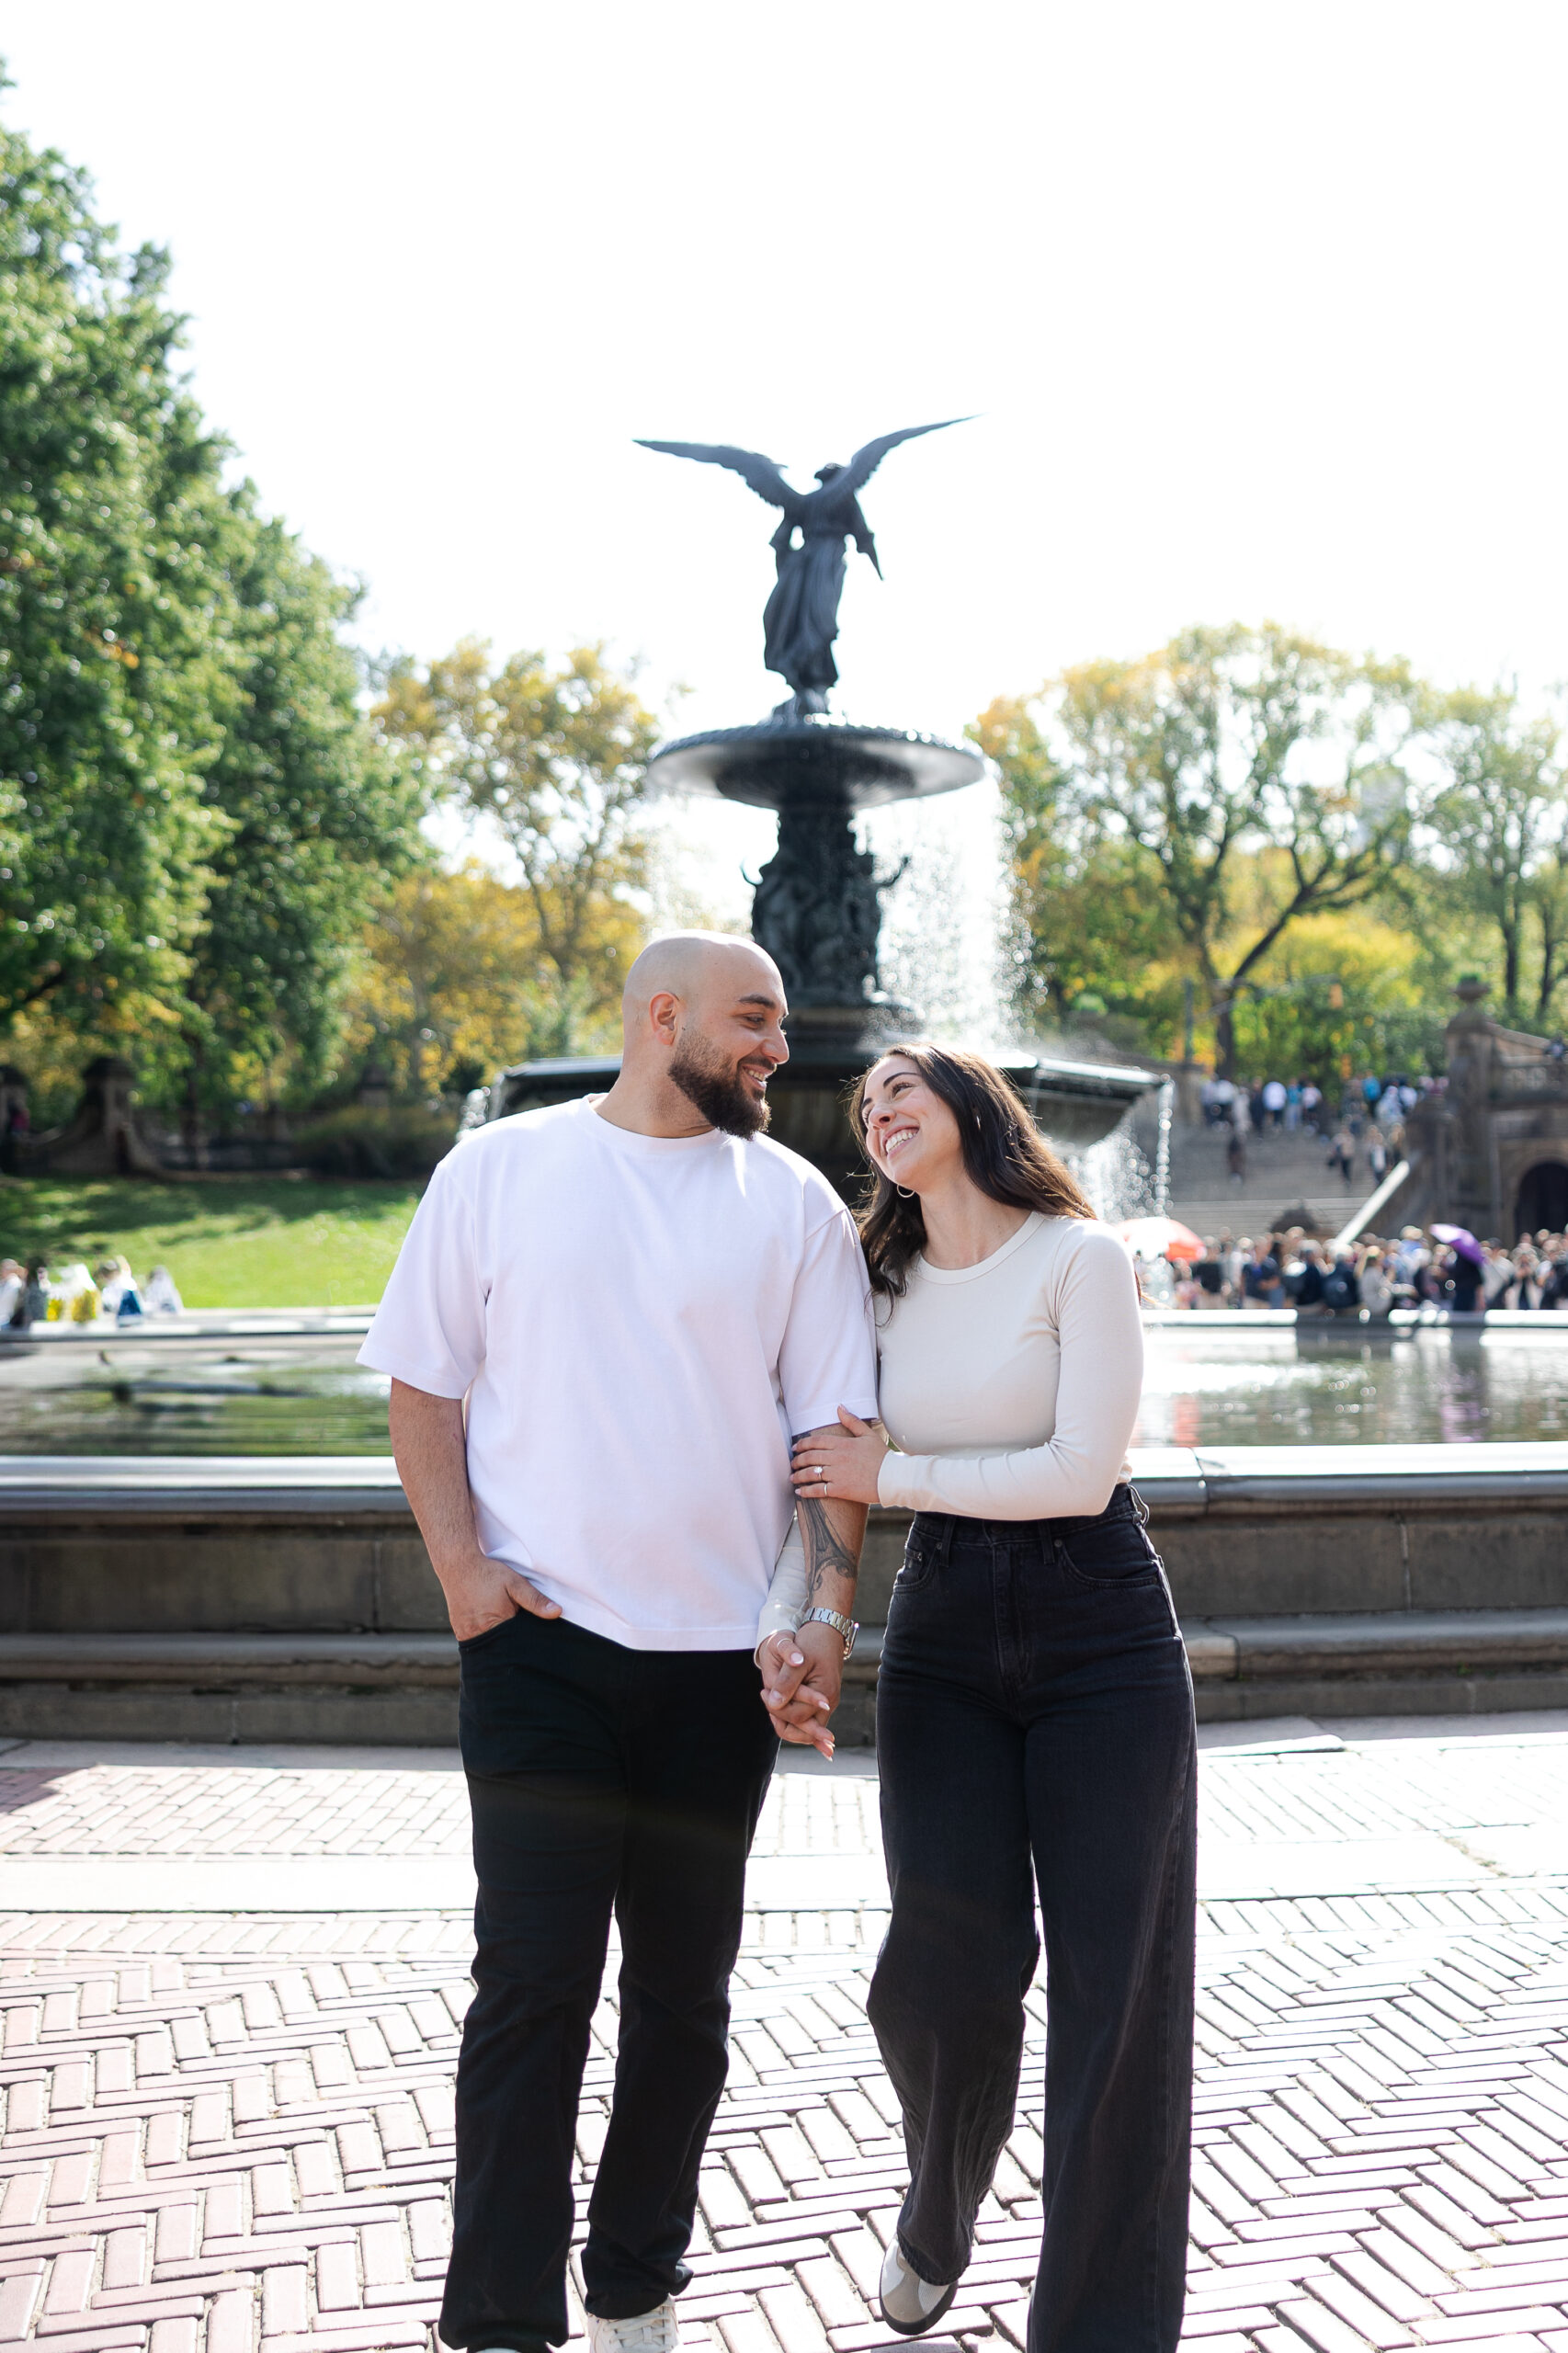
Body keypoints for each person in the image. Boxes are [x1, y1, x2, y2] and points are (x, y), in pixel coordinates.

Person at [358, 933, 878, 2353]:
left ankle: (634, 2284)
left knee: (682, 1999)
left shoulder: (793, 1205)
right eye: (753, 1020)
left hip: (719, 1666)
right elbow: (423, 1383)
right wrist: (463, 1572)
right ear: (664, 1016)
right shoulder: (499, 1170)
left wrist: (819, 1619)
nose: (779, 1046)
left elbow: (834, 1436)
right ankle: (501, 2319)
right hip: (539, 1650)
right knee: (530, 1982)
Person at [766, 1043, 1196, 2353]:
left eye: (905, 1088)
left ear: (971, 1108)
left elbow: (1077, 1472)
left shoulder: (1077, 1256)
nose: (879, 1109)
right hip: (946, 1633)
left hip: (1100, 1634)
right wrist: (809, 1622)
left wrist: (896, 1473)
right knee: (937, 1972)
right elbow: (821, 1468)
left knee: (1114, 1996)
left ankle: (1096, 2329)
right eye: (865, 1101)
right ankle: (937, 2212)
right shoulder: (866, 1278)